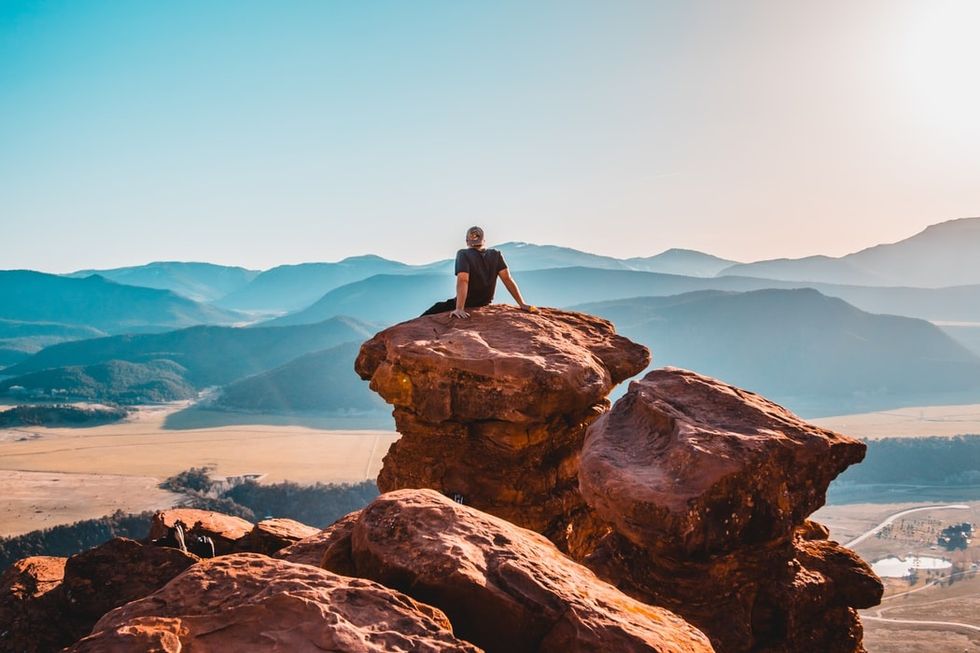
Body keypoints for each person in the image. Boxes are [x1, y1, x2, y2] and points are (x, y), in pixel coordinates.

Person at [422, 226, 534, 318]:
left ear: (467, 241)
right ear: (484, 240)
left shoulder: (463, 254)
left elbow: (463, 280)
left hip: (468, 302)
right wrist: (522, 304)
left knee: (435, 309)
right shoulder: (496, 254)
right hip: (485, 302)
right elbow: (507, 279)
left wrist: (459, 309)